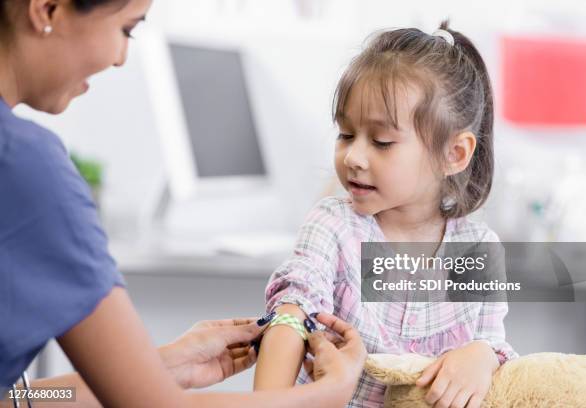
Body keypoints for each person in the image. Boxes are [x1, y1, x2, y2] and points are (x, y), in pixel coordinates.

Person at [0, 0, 366, 406]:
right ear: (47, 9)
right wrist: (325, 395)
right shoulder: (25, 166)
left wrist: (161, 368)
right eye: (127, 29)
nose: (122, 58)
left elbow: (17, 400)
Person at [254, 21, 518, 408]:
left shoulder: (478, 249)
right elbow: (292, 312)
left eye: (381, 142)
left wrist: (481, 356)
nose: (354, 157)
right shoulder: (333, 226)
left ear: (454, 154)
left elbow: (492, 347)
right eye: (345, 135)